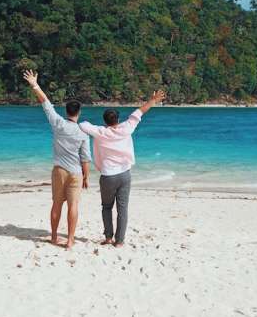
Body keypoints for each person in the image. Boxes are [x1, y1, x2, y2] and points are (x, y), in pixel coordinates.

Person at [79, 90, 166, 247]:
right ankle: (119, 241)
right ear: (118, 119)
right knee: (122, 208)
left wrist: (99, 127)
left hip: (108, 176)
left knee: (106, 207)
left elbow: (82, 124)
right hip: (125, 174)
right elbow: (140, 111)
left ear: (105, 121)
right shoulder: (127, 127)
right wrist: (153, 99)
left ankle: (108, 238)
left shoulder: (100, 132)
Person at [22, 70, 91, 250]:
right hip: (76, 172)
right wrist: (86, 176)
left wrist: (35, 85)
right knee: (73, 206)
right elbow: (85, 158)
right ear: (79, 113)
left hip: (59, 170)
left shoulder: (58, 123)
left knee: (57, 204)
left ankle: (54, 237)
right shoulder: (83, 133)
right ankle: (70, 240)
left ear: (66, 111)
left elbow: (45, 103)